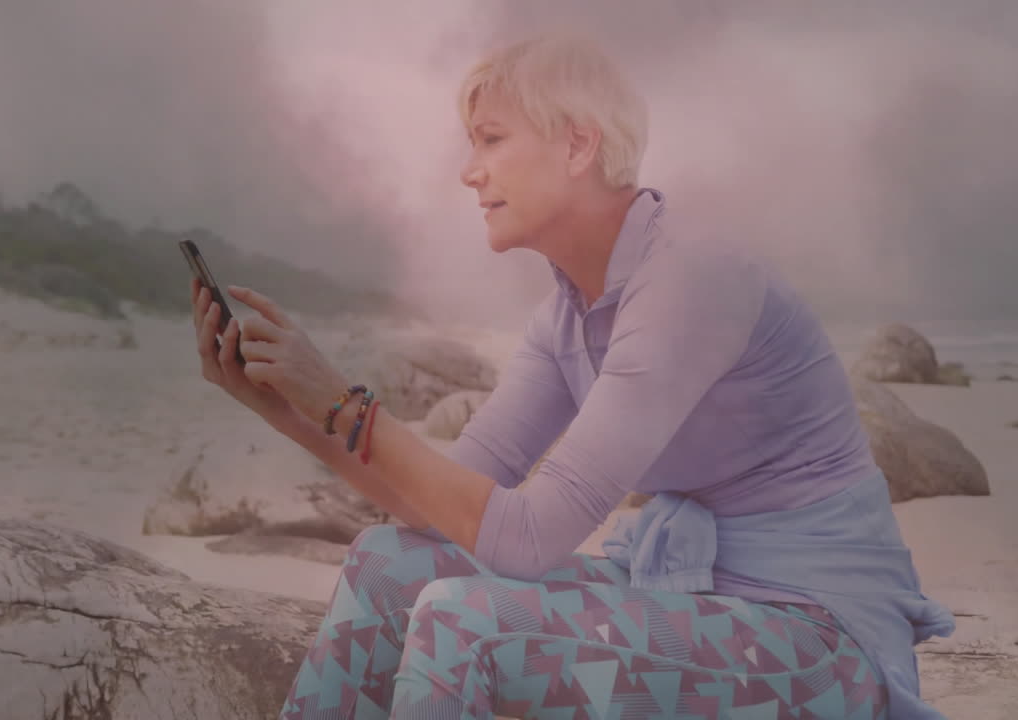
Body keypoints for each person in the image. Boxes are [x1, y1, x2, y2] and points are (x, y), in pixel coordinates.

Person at [190, 32, 954, 720]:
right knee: (387, 562)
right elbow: (437, 503)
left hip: (821, 639)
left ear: (577, 145)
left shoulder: (690, 277)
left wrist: (345, 405)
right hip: (687, 597)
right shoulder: (569, 315)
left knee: (465, 621)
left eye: (491, 139)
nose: (468, 171)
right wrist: (292, 411)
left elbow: (527, 539)